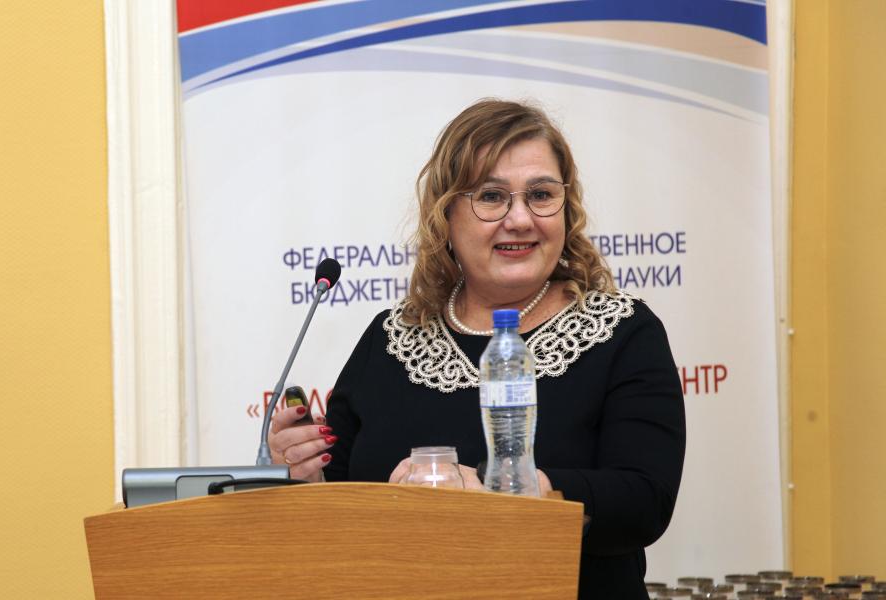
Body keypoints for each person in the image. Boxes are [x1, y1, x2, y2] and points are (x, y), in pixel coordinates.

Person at [269, 99, 685, 599]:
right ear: (445, 214)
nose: (520, 219)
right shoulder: (391, 338)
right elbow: (339, 508)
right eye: (491, 196)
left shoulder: (622, 333)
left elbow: (643, 501)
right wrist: (304, 474)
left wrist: (495, 491)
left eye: (541, 194)